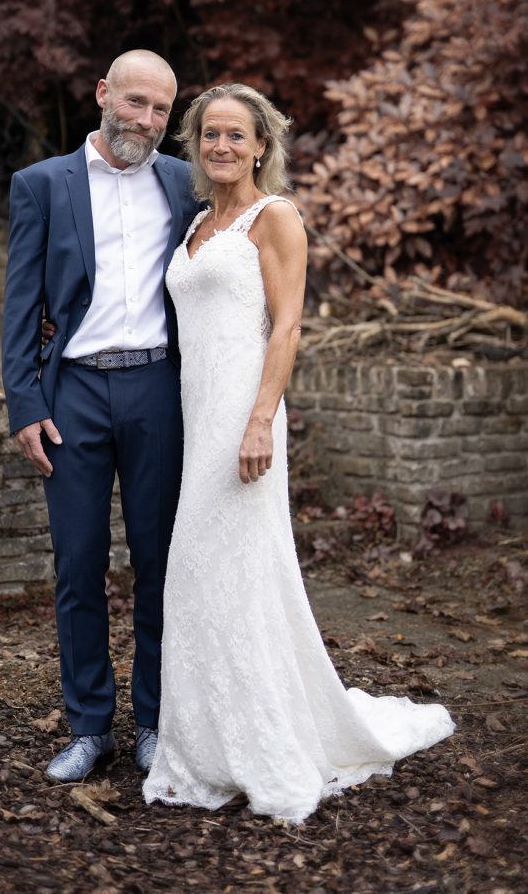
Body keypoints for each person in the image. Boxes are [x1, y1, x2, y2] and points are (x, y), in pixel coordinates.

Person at [142, 82, 454, 824]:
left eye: (235, 136)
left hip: (243, 422)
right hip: (196, 416)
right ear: (196, 143)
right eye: (208, 134)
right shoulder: (194, 223)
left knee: (224, 572)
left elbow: (284, 330)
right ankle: (204, 741)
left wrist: (259, 421)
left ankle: (260, 743)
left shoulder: (273, 217)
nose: (221, 146)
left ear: (260, 146)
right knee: (198, 578)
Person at [1, 50, 199, 783]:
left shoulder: (185, 184)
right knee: (78, 565)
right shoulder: (40, 185)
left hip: (157, 392)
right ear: (102, 95)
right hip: (73, 396)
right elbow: (21, 305)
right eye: (135, 102)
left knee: (160, 566)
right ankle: (90, 728)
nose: (145, 120)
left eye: (159, 110)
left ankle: (153, 722)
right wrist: (24, 400)